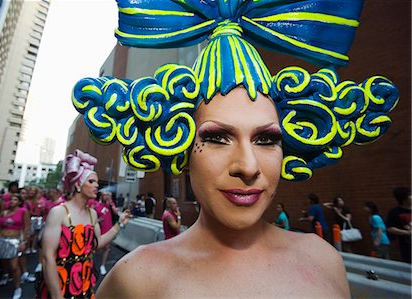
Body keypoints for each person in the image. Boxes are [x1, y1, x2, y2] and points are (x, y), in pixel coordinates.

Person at [69, 1, 398, 297]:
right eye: (216, 138)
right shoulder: (135, 281)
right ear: (181, 148)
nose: (248, 165)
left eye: (266, 140)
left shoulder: (324, 259)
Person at [39, 149, 132, 298]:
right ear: (77, 185)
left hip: (84, 282)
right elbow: (47, 256)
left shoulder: (92, 214)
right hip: (59, 282)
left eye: (96, 182)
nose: (97, 185)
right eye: (91, 181)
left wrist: (119, 224)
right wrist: (57, 295)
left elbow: (97, 243)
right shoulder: (59, 212)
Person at [93, 191, 119, 275]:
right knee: (96, 248)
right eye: (106, 195)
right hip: (99, 230)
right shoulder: (96, 205)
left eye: (109, 195)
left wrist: (111, 204)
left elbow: (116, 213)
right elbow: (91, 218)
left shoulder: (110, 205)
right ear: (101, 196)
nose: (108, 196)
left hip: (108, 228)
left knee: (106, 248)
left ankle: (102, 265)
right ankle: (90, 264)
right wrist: (98, 220)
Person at [386, 187, 411, 263]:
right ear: (404, 198)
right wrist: (407, 233)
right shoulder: (394, 212)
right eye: (410, 195)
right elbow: (390, 228)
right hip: (408, 246)